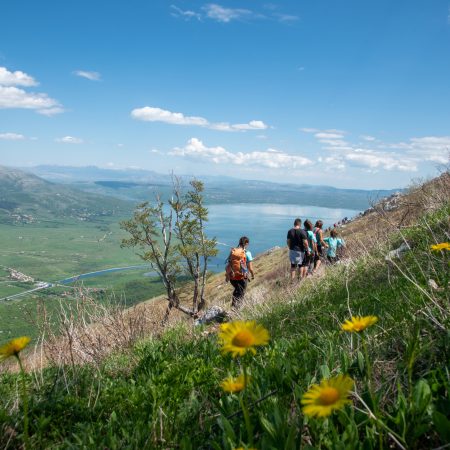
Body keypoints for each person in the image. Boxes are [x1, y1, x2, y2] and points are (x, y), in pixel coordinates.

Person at [226, 236, 253, 308]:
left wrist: (227, 276)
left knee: (237, 291)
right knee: (241, 294)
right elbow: (250, 268)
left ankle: (233, 307)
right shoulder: (247, 253)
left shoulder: (233, 252)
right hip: (242, 277)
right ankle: (236, 310)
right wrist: (252, 275)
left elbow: (228, 264)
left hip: (233, 277)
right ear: (246, 243)